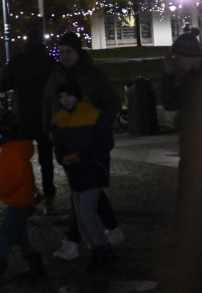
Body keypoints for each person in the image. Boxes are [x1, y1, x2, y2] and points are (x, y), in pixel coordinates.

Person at [44, 32, 123, 260]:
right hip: (65, 139)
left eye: (68, 51)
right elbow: (48, 102)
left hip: (89, 144)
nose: (64, 55)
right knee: (87, 190)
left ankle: (74, 242)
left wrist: (97, 128)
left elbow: (112, 103)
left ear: (78, 52)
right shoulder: (55, 76)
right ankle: (112, 229)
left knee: (81, 195)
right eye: (61, 51)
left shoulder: (93, 75)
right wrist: (50, 129)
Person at [50, 78, 117, 274]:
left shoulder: (94, 114)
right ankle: (101, 249)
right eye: (61, 97)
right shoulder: (60, 119)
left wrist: (83, 155)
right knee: (81, 216)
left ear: (77, 96)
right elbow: (59, 145)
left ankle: (101, 249)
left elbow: (106, 142)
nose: (66, 100)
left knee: (86, 213)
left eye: (69, 95)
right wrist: (63, 158)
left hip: (93, 169)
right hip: (75, 171)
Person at [0, 110, 46, 286]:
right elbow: (5, 173)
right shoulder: (16, 147)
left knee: (6, 235)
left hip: (18, 200)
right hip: (22, 198)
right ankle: (37, 268)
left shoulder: (11, 149)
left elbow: (10, 180)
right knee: (21, 237)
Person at [0, 28, 59, 214]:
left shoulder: (18, 62)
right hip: (44, 115)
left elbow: (2, 85)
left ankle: (29, 195)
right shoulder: (50, 62)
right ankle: (49, 199)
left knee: (22, 159)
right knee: (46, 160)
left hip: (22, 116)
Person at [162, 30, 202, 194]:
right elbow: (170, 103)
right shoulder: (190, 76)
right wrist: (168, 75)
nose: (176, 63)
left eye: (177, 58)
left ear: (188, 55)